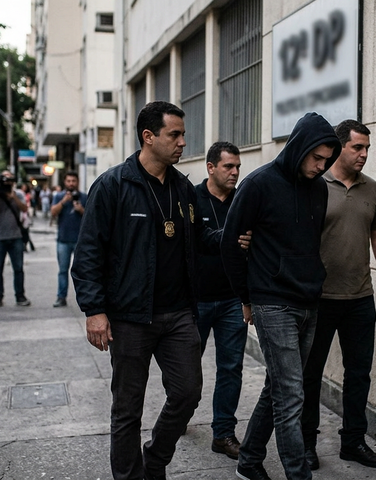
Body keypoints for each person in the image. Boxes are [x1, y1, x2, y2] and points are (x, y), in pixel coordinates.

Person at [71, 101, 221, 480]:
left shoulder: (183, 187)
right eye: (175, 134)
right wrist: (94, 310)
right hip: (130, 318)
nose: (183, 142)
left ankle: (155, 459)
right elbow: (88, 253)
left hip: (179, 314)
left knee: (187, 393)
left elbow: (198, 238)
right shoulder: (112, 185)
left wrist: (233, 237)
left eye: (183, 134)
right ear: (148, 137)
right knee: (127, 409)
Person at [221, 112, 341, 480]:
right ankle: (297, 474)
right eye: (315, 158)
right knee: (292, 396)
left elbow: (305, 241)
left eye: (327, 160)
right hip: (271, 301)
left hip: (309, 301)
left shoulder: (320, 188)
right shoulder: (258, 184)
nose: (321, 167)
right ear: (298, 148)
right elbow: (229, 244)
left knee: (280, 387)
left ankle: (249, 460)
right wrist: (246, 297)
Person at [301, 120, 376, 470]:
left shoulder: (371, 188)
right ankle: (306, 443)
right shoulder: (315, 184)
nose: (364, 154)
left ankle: (353, 442)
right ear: (339, 147)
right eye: (358, 148)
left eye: (367, 148)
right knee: (310, 375)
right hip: (318, 299)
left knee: (359, 374)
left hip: (358, 298)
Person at [194, 141, 247, 459]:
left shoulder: (243, 198)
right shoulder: (191, 198)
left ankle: (223, 433)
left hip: (231, 298)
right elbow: (194, 241)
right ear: (211, 167)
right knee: (186, 369)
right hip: (195, 299)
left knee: (231, 367)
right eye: (229, 166)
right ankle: (180, 413)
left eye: (238, 166)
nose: (235, 172)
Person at [0, 170, 31, 307]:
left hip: (15, 236)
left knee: (18, 268)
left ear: (13, 182)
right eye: (4, 181)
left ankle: (20, 296)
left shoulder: (18, 194)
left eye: (9, 181)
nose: (7, 183)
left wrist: (14, 198)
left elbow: (24, 209)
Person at [50, 171, 86, 307]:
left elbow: (91, 217)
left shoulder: (84, 197)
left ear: (78, 182)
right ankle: (61, 297)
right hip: (63, 240)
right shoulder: (59, 196)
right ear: (65, 182)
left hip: (80, 241)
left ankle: (84, 299)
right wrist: (64, 201)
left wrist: (81, 209)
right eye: (69, 181)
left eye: (73, 181)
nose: (71, 183)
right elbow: (53, 212)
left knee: (83, 271)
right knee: (63, 270)